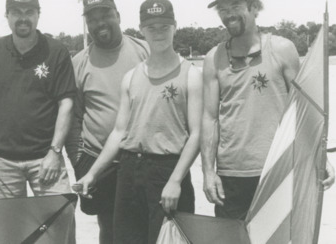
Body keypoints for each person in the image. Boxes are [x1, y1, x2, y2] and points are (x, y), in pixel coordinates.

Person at [72, 0, 203, 243]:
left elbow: (196, 134)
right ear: (141, 29)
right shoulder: (131, 77)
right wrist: (92, 173)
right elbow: (118, 132)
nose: (158, 33)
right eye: (151, 27)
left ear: (175, 27)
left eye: (164, 26)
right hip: (129, 170)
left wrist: (175, 181)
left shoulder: (191, 75)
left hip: (168, 168)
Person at [201, 0, 335, 221]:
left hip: (278, 168)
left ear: (255, 7)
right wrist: (208, 171)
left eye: (235, 6)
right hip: (232, 176)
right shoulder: (213, 59)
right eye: (222, 9)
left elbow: (302, 107)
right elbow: (209, 118)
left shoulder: (282, 49)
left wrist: (319, 156)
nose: (228, 14)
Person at [0, 0, 76, 200]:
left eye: (29, 12)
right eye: (16, 12)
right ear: (7, 15)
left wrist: (54, 152)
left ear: (38, 15)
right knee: (10, 229)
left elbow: (66, 105)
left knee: (58, 220)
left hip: (46, 158)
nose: (23, 18)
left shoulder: (56, 51)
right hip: (2, 161)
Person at [65, 0, 149, 243]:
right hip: (97, 159)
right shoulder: (79, 62)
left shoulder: (145, 51)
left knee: (143, 226)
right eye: (92, 19)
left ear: (119, 16)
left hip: (140, 158)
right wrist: (80, 163)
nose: (99, 23)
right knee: (109, 227)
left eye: (106, 15)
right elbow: (74, 119)